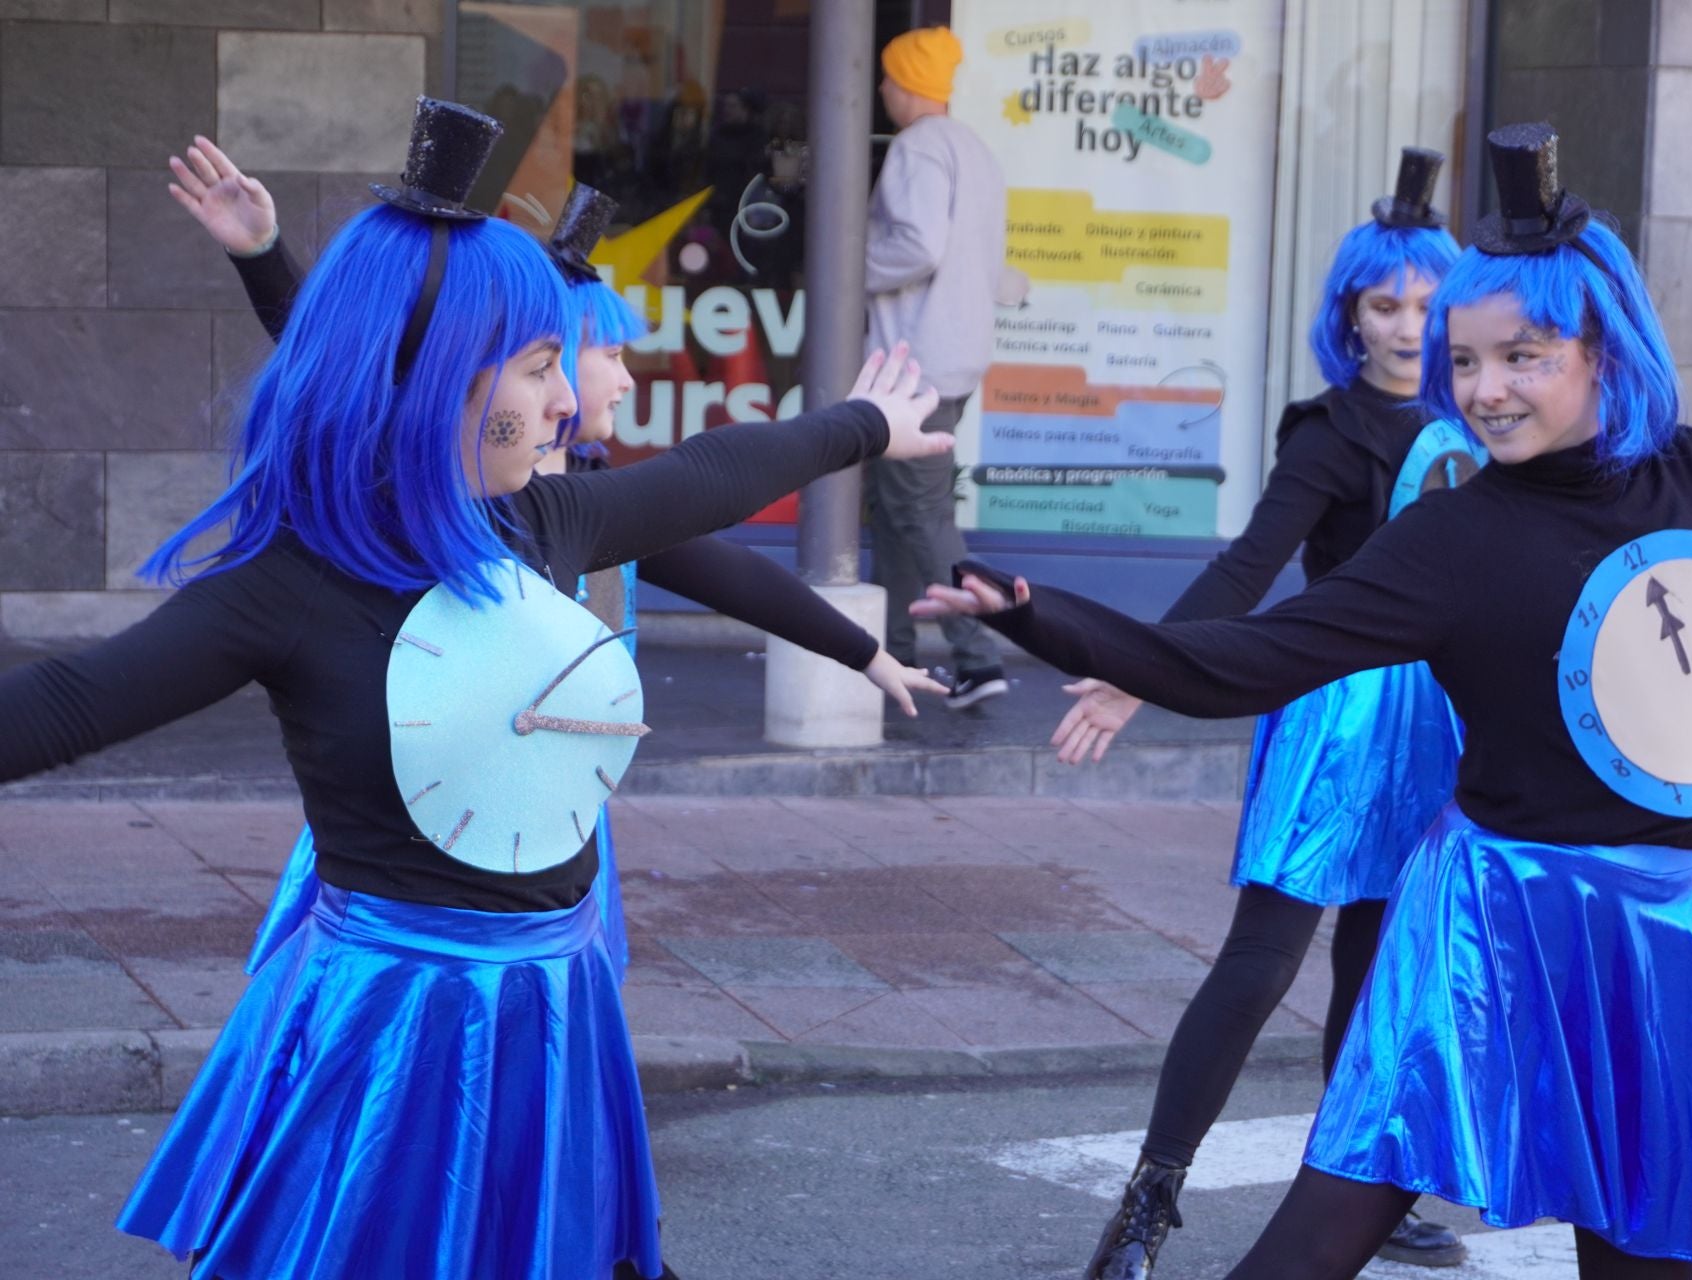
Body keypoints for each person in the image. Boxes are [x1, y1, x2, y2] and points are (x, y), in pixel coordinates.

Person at [913, 122, 1692, 1278]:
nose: (1482, 390)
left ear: (1606, 346)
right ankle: (1164, 1192)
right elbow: (1233, 664)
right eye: (1468, 358)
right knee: (1330, 1218)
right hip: (1489, 921)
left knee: (1644, 1251)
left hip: (1657, 933)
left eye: (1523, 354)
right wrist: (1039, 613)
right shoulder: (1449, 540)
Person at [1, 97, 950, 1280]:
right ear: (446, 376)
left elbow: (710, 479)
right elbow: (63, 704)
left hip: (555, 1002)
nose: (565, 405)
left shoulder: (540, 520)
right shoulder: (286, 589)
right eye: (543, 364)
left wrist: (860, 427)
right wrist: (265, 261)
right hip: (393, 1018)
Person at [166, 138, 945, 979]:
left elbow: (725, 563)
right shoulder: (449, 501)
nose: (622, 379)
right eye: (605, 353)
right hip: (419, 857)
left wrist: (862, 650)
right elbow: (354, 373)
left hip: (546, 827)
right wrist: (262, 259)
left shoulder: (589, 504)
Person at [1059, 148, 1475, 1280]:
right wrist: (1140, 667)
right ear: (1349, 312)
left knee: (1380, 970)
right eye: (1383, 302)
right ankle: (1145, 1205)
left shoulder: (1475, 421)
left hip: (1439, 719)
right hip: (1335, 716)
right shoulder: (1329, 432)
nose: (1404, 322)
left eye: (1426, 303)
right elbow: (1249, 566)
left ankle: (1361, 1198)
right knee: (1257, 969)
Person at [864, 24, 1010, 708]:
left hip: (911, 362)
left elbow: (917, 246)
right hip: (953, 354)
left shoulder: (918, 147)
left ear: (905, 84)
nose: (882, 89)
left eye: (889, 79)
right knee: (897, 510)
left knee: (918, 511)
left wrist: (844, 265)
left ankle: (979, 659)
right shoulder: (974, 148)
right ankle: (890, 652)